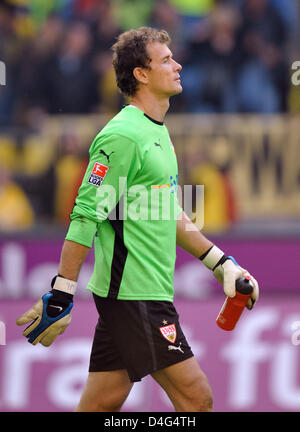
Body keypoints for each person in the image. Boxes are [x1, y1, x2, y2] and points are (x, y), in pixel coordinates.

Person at [16, 27, 259, 412]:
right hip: (135, 295)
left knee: (100, 406)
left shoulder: (157, 133)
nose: (177, 65)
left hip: (141, 293)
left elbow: (167, 211)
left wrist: (221, 263)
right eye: (165, 60)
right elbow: (85, 215)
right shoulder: (124, 136)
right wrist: (62, 292)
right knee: (197, 400)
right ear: (141, 74)